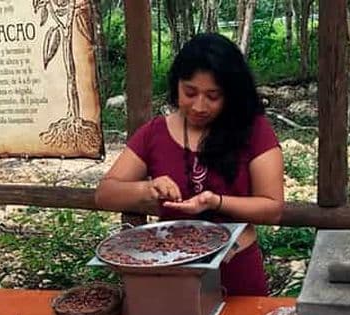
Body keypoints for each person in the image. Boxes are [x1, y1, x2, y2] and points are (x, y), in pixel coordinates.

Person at [94, 33, 284, 296]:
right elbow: (105, 194)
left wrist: (215, 201)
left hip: (237, 268)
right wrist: (147, 189)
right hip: (173, 272)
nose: (199, 106)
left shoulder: (254, 130)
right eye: (190, 93)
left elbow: (273, 208)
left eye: (213, 96)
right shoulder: (154, 133)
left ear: (231, 94)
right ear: (176, 86)